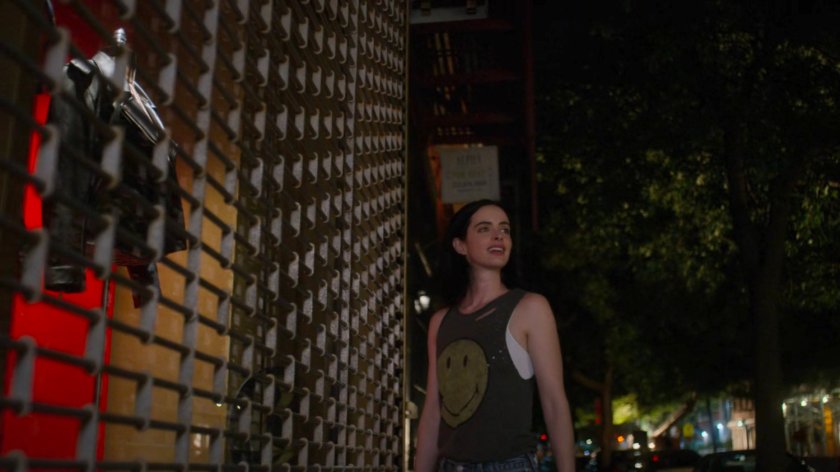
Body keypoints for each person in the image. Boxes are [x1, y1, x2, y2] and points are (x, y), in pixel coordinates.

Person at [414, 200, 575, 472]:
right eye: (484, 229)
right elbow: (433, 411)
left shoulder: (530, 308)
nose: (499, 235)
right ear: (460, 245)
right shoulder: (440, 322)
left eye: (505, 229)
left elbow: (554, 402)